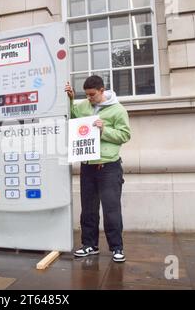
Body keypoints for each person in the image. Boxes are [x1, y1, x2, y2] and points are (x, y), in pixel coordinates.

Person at [65, 75, 131, 263]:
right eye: (86, 95)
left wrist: (104, 130)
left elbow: (125, 135)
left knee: (111, 210)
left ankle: (117, 248)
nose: (89, 98)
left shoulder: (118, 110)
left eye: (92, 94)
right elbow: (72, 117)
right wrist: (70, 99)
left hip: (109, 167)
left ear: (102, 90)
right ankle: (89, 245)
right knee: (88, 210)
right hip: (87, 167)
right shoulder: (83, 106)